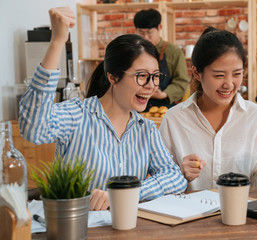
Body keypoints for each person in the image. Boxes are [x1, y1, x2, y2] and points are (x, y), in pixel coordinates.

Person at [18, 7, 187, 210]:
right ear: (113, 77)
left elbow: (175, 177)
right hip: (77, 226)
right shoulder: (77, 115)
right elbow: (34, 129)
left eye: (155, 76)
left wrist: (127, 193)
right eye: (142, 76)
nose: (151, 86)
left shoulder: (146, 129)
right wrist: (57, 43)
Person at [159, 28, 257, 191]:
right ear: (197, 73)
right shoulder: (174, 119)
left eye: (237, 74)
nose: (229, 84)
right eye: (219, 75)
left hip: (242, 213)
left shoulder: (255, 116)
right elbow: (161, 185)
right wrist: (179, 175)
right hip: (189, 215)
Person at [133, 8, 190, 111]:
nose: (145, 37)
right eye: (141, 33)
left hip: (164, 109)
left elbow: (182, 81)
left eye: (149, 32)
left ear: (160, 27)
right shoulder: (132, 51)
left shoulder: (174, 52)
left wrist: (164, 94)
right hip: (135, 107)